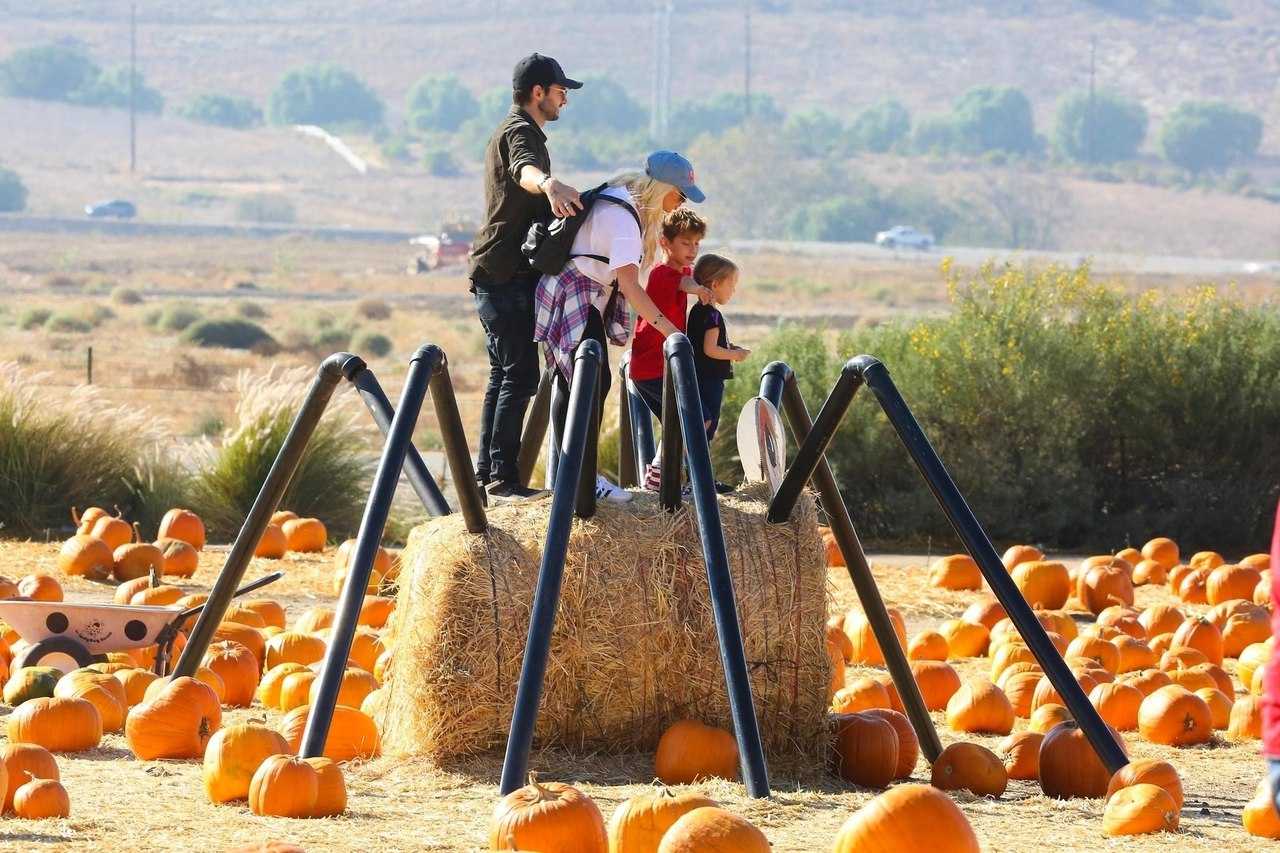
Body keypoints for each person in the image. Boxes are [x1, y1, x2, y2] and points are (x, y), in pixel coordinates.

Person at [534, 150, 705, 504]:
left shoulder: (619, 199)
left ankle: (569, 477)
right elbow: (630, 286)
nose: (680, 204)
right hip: (577, 295)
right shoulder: (626, 220)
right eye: (680, 195)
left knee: (575, 385)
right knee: (589, 384)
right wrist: (671, 331)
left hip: (572, 293)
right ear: (662, 188)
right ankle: (581, 480)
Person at [468, 53, 584, 503]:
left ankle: (487, 477)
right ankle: (502, 479)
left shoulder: (516, 129)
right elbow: (525, 171)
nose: (564, 101)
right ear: (538, 93)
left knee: (504, 376)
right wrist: (549, 184)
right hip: (505, 276)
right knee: (519, 377)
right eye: (560, 92)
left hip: (497, 271)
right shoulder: (520, 132)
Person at [628, 208, 713, 490]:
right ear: (665, 243)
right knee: (697, 419)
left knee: (680, 423)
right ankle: (667, 476)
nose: (693, 249)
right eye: (686, 243)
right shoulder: (662, 274)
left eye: (696, 243)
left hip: (658, 367)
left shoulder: (683, 271)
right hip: (651, 368)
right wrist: (698, 289)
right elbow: (684, 283)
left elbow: (688, 277)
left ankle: (664, 478)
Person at [684, 253, 750, 446]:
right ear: (715, 284)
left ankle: (688, 460)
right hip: (710, 379)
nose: (733, 290)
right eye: (731, 284)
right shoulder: (713, 315)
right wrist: (735, 354)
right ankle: (695, 462)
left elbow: (702, 343)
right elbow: (710, 349)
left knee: (699, 421)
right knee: (707, 424)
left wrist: (729, 347)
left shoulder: (697, 311)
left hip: (697, 375)